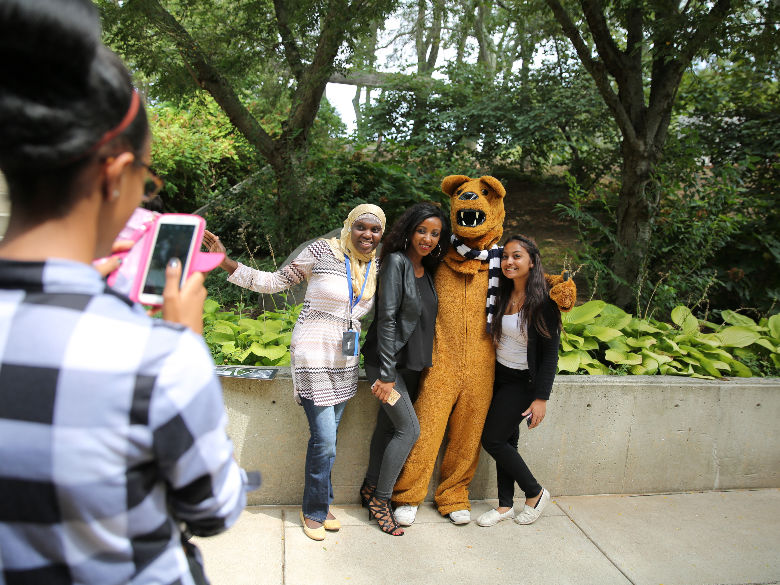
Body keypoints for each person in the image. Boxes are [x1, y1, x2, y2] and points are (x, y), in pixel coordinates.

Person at [0, 1, 247, 583]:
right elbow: (214, 508)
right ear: (115, 174)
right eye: (147, 183)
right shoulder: (157, 360)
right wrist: (183, 339)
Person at [203, 203, 386, 541]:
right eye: (362, 227)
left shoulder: (374, 265)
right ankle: (313, 510)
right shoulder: (322, 250)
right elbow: (273, 282)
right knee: (325, 438)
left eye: (375, 230)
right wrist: (225, 262)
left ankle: (323, 501)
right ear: (349, 226)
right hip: (312, 348)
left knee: (329, 439)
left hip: (345, 358)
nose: (368, 235)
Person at [359, 202, 450, 535]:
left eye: (435, 233)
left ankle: (369, 487)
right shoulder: (396, 262)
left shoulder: (429, 268)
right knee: (409, 430)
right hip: (388, 364)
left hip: (411, 365)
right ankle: (381, 501)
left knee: (387, 428)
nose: (427, 238)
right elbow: (387, 319)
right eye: (422, 230)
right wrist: (385, 374)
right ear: (410, 231)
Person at [477, 235, 561, 527]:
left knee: (493, 439)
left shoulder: (544, 303)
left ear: (532, 262)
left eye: (517, 256)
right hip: (497, 375)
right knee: (508, 440)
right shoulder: (500, 292)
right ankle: (504, 506)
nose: (509, 262)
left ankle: (535, 492)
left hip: (522, 382)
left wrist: (541, 398)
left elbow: (550, 355)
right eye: (506, 256)